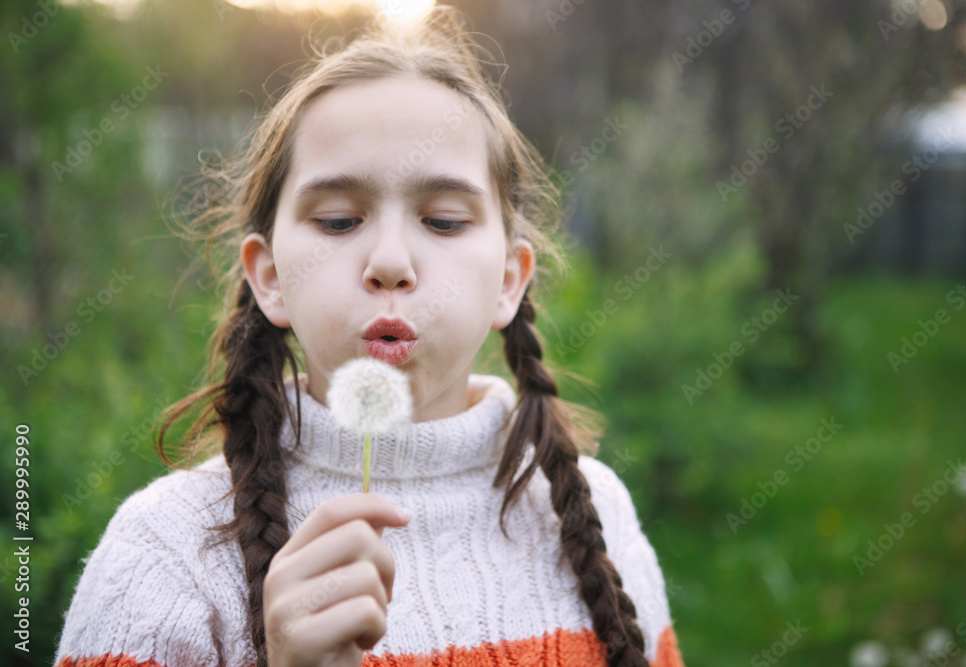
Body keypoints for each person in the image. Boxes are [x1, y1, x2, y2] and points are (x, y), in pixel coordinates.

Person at [53, 6, 685, 667]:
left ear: (508, 280)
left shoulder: (593, 513)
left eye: (442, 221)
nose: (390, 261)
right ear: (269, 277)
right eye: (337, 220)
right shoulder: (165, 556)